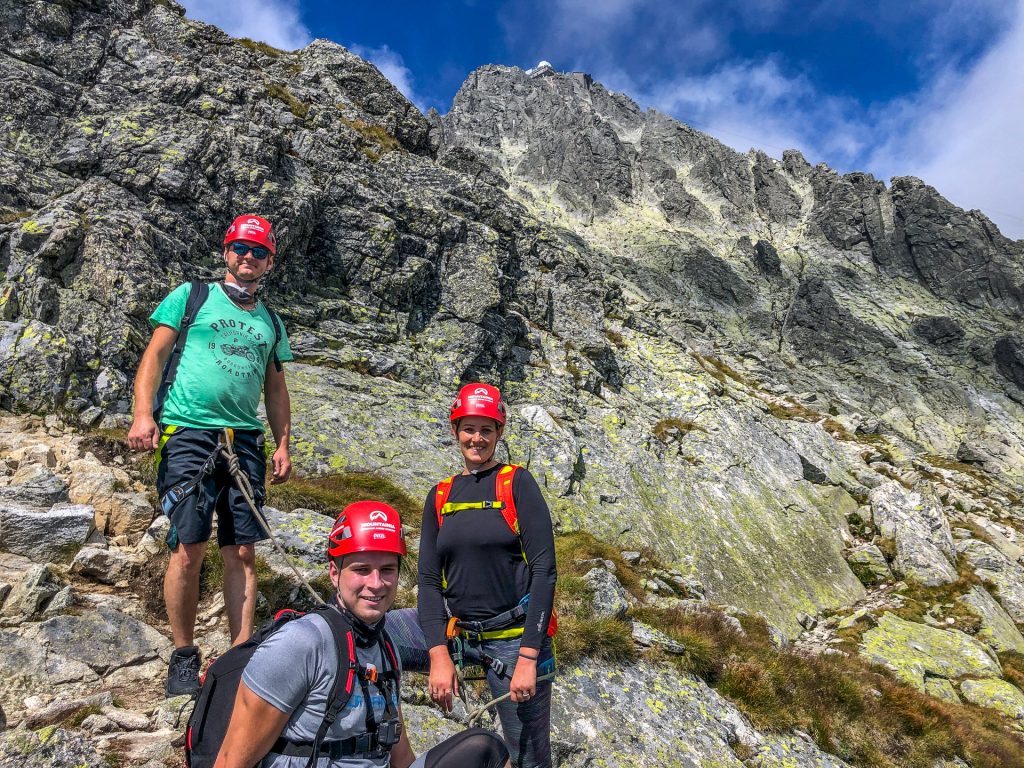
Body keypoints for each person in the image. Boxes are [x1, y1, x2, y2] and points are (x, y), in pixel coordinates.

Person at [127, 214, 293, 696]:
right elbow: (154, 357)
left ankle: (241, 657)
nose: (248, 256)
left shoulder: (271, 321)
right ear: (226, 252)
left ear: (269, 261)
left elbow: (276, 387)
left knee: (243, 550)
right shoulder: (190, 296)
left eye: (258, 250)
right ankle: (183, 656)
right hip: (189, 433)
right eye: (240, 247)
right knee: (188, 546)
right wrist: (143, 414)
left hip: (244, 440)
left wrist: (282, 442)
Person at [213, 501, 510, 768]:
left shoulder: (385, 646)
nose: (376, 583)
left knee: (485, 747)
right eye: (362, 569)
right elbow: (231, 761)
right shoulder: (301, 644)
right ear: (334, 572)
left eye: (387, 570)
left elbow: (401, 759)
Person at [417, 383, 558, 768]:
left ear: (499, 433)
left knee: (527, 758)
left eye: (486, 430)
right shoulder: (441, 495)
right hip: (459, 634)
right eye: (469, 428)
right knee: (372, 637)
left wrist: (529, 657)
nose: (476, 438)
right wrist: (437, 654)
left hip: (512, 643)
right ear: (455, 430)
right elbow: (428, 581)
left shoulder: (517, 484)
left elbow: (545, 571)